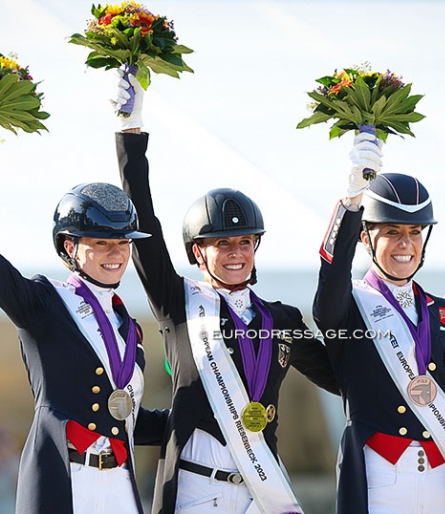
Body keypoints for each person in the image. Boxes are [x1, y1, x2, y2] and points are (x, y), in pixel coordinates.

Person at [109, 70, 339, 514]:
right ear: (198, 251)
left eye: (244, 243)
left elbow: (343, 377)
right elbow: (144, 226)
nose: (236, 253)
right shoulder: (178, 304)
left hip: (260, 493)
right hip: (196, 493)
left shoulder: (284, 321)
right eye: (222, 244)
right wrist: (130, 133)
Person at [0, 108, 169, 514]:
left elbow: (127, 419)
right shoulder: (43, 303)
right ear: (70, 247)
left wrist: (203, 414)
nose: (116, 253)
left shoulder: (130, 329)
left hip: (120, 485)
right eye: (101, 243)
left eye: (123, 243)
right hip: (65, 485)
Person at [312, 131, 445, 513]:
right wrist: (352, 201)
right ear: (365, 238)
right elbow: (330, 284)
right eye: (392, 232)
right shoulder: (350, 304)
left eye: (414, 232)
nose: (405, 243)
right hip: (382, 479)